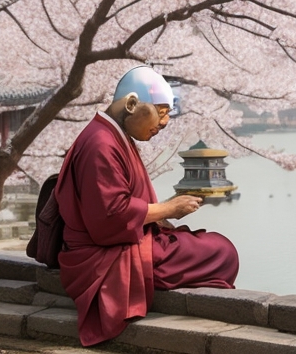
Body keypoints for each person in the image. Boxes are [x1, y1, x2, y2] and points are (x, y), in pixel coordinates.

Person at [55, 65, 239, 347]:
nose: (164, 123)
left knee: (208, 244)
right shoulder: (101, 144)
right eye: (161, 112)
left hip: (128, 240)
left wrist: (161, 218)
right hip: (107, 255)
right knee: (222, 251)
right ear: (131, 104)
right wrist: (169, 209)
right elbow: (110, 218)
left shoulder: (110, 136)